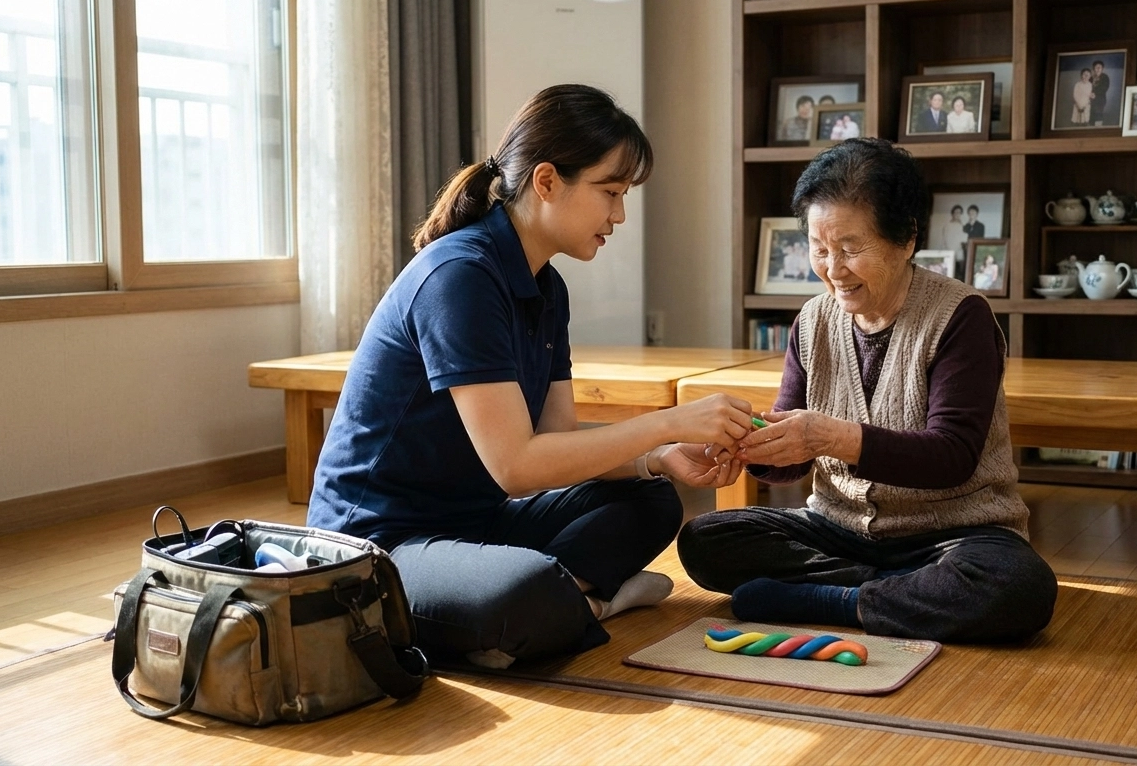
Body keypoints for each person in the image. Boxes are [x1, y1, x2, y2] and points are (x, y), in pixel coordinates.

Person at [307, 84, 755, 670]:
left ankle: (562, 605)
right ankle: (581, 601)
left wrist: (658, 457)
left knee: (652, 500)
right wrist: (666, 423)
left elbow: (557, 444)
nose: (619, 215)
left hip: (476, 524)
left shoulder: (547, 287)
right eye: (610, 192)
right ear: (547, 181)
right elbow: (517, 468)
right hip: (378, 546)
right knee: (520, 591)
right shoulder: (460, 277)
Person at [677, 138, 1058, 644]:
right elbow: (791, 462)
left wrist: (832, 438)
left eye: (851, 249)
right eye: (819, 248)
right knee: (705, 538)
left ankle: (826, 599)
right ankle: (887, 595)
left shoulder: (961, 316)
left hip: (951, 536)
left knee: (1019, 586)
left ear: (906, 239)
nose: (833, 269)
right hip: (840, 532)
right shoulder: (812, 320)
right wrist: (752, 446)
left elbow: (952, 457)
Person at [1089, 60, 1111, 125]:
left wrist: (1095, 94)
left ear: (1102, 69)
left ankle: (1098, 129)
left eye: (1100, 67)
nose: (1098, 69)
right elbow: (1087, 87)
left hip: (1100, 100)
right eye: (1096, 67)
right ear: (1094, 68)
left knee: (1098, 116)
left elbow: (1104, 88)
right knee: (1091, 116)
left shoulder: (1105, 77)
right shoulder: (1091, 78)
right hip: (1090, 100)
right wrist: (1090, 94)